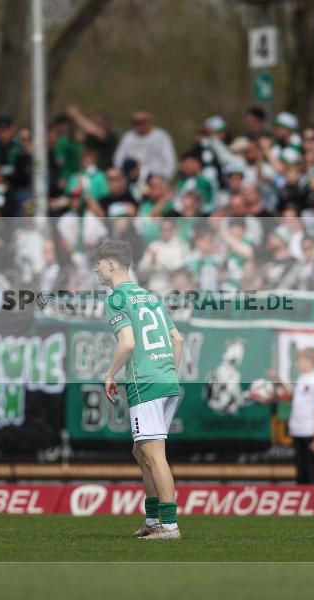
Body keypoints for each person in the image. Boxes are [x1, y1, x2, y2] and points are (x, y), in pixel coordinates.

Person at [93, 240, 184, 540]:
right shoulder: (150, 296)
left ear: (110, 265)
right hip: (167, 379)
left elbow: (128, 343)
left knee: (155, 455)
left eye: (98, 263)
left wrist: (109, 374)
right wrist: (170, 372)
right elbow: (178, 339)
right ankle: (153, 519)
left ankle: (169, 526)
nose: (95, 269)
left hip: (145, 381)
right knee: (140, 451)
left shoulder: (116, 299)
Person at [266, 347, 314, 484]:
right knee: (300, 472)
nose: (297, 363)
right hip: (297, 431)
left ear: (309, 361)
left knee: (312, 473)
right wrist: (279, 379)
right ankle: (304, 503)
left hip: (310, 431)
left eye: (299, 360)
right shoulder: (301, 378)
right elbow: (291, 396)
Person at [113, 111, 177, 181]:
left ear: (150, 121)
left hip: (155, 178)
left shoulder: (161, 136)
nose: (139, 125)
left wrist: (164, 177)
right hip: (132, 178)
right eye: (135, 122)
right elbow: (118, 159)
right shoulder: (128, 137)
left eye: (143, 122)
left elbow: (170, 161)